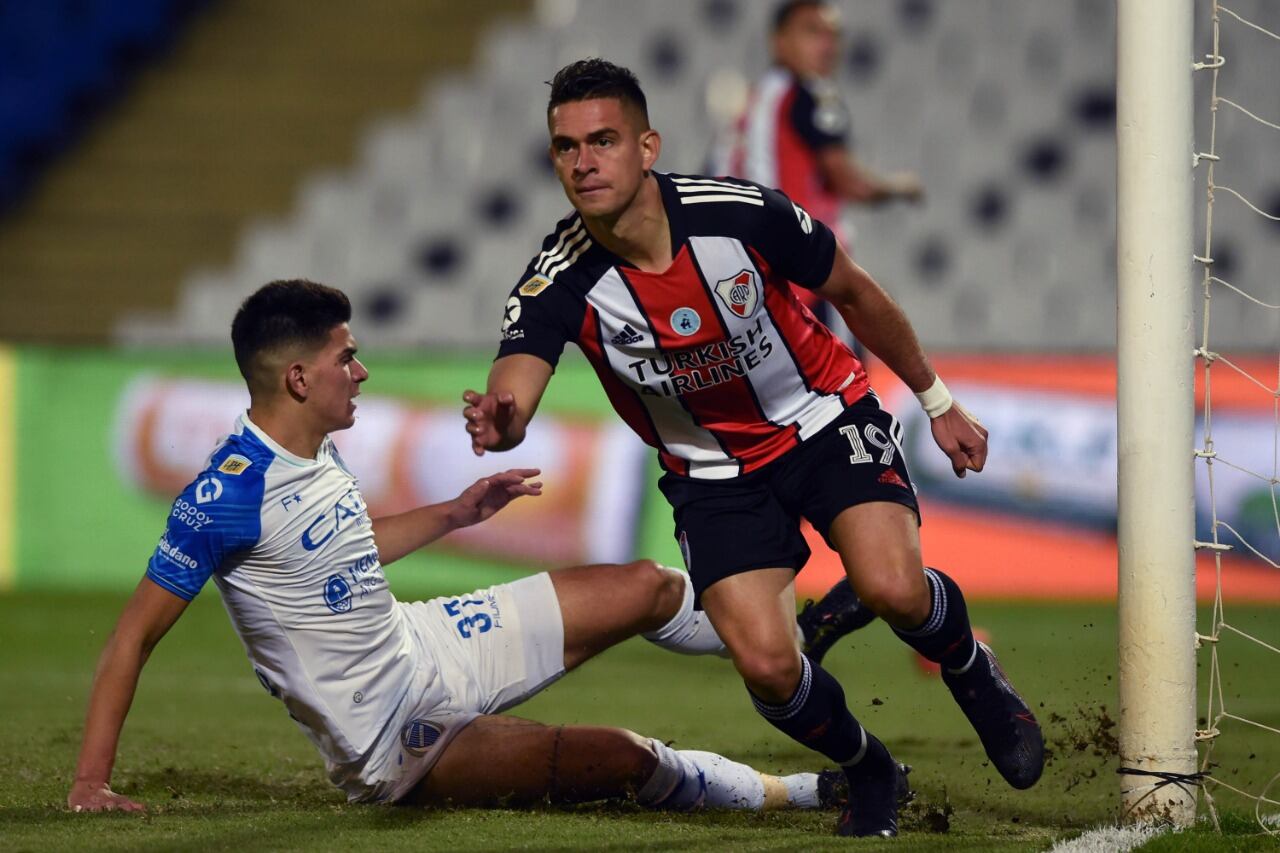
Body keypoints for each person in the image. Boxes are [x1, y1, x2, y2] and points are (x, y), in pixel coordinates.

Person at [463, 58, 1044, 837]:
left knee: (893, 587)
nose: (584, 161)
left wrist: (938, 402)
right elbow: (517, 383)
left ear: (647, 146)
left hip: (821, 419)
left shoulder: (739, 214)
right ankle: (870, 769)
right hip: (711, 475)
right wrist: (503, 419)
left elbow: (856, 293)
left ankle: (973, 673)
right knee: (770, 667)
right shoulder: (558, 276)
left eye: (603, 140)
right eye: (566, 147)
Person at [66, 279, 858, 817]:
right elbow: (131, 637)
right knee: (623, 758)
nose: (362, 370)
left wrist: (456, 511)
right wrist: (90, 781)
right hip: (391, 739)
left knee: (648, 584)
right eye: (347, 357)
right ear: (300, 377)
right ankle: (807, 792)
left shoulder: (314, 447)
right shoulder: (222, 495)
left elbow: (347, 553)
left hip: (427, 642)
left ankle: (791, 638)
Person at [712, 0, 922, 326]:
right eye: (812, 31)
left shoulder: (751, 103)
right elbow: (849, 182)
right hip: (808, 271)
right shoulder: (812, 94)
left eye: (833, 35)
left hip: (743, 275)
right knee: (848, 371)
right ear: (778, 41)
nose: (827, 45)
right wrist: (900, 187)